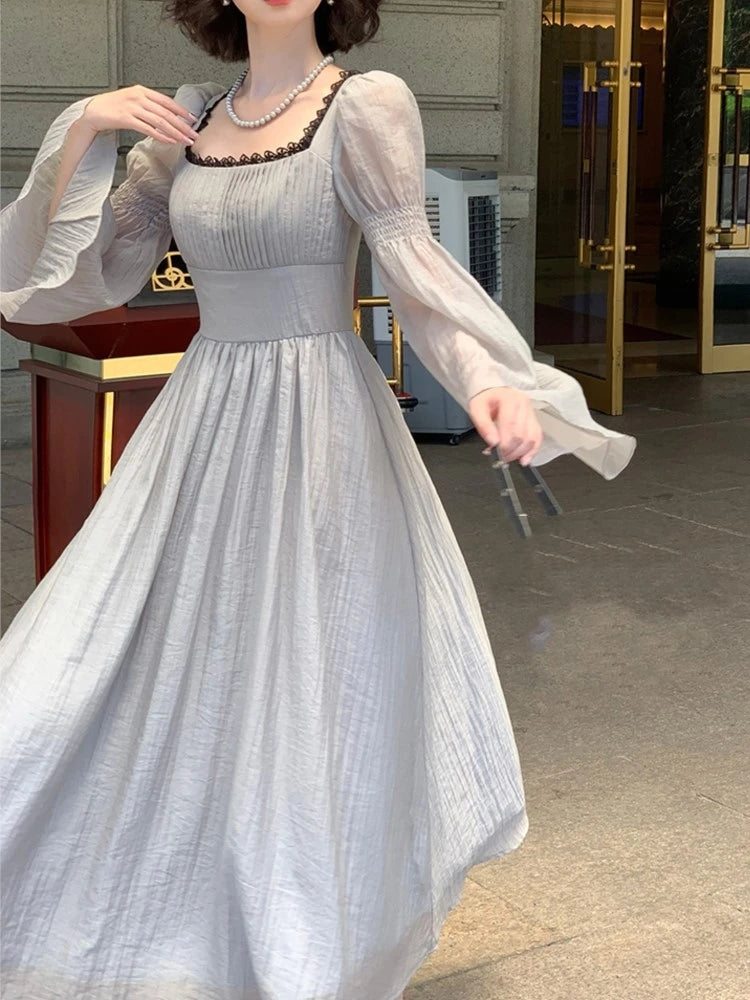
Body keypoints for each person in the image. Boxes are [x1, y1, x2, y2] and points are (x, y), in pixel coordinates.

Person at [0, 1, 636, 997]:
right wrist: (85, 127)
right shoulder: (185, 123)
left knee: (315, 674)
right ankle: (189, 907)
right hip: (206, 419)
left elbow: (413, 267)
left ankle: (301, 939)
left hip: (323, 426)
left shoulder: (363, 105)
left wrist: (486, 381)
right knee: (142, 651)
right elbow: (76, 279)